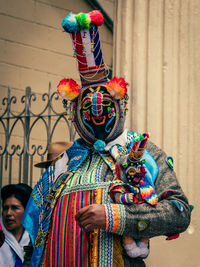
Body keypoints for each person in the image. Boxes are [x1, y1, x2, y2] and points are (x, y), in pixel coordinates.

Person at [22, 10, 191, 267]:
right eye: (87, 107)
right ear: (75, 112)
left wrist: (116, 216)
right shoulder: (64, 163)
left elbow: (178, 213)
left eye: (105, 105)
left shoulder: (141, 151)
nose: (97, 114)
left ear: (119, 105)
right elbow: (32, 233)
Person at [0, 183, 32, 267]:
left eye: (15, 208)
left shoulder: (34, 238)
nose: (8, 213)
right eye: (5, 208)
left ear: (26, 211)